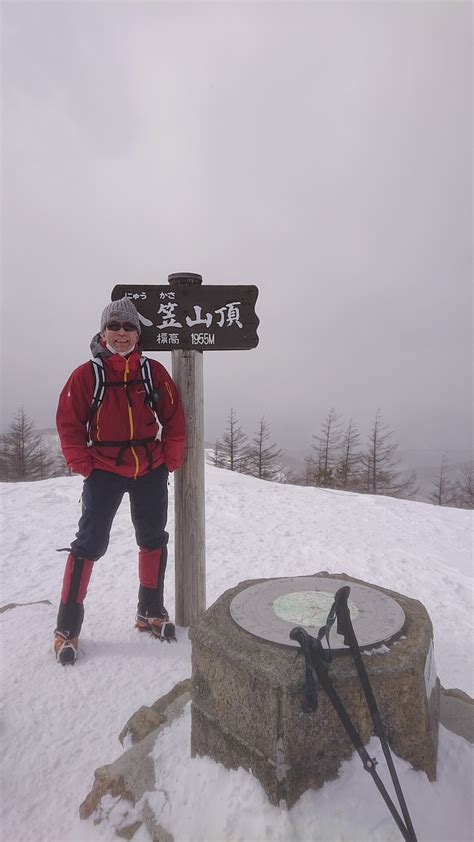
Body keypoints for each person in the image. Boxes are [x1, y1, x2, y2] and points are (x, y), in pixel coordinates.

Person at [54, 296, 185, 664]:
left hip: (149, 467)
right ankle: (67, 628)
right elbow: (69, 422)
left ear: (137, 333)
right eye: (115, 326)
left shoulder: (152, 371)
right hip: (105, 470)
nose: (121, 333)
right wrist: (84, 463)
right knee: (89, 545)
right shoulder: (87, 374)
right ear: (103, 332)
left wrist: (170, 457)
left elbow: (173, 416)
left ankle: (150, 612)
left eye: (128, 327)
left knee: (153, 539)